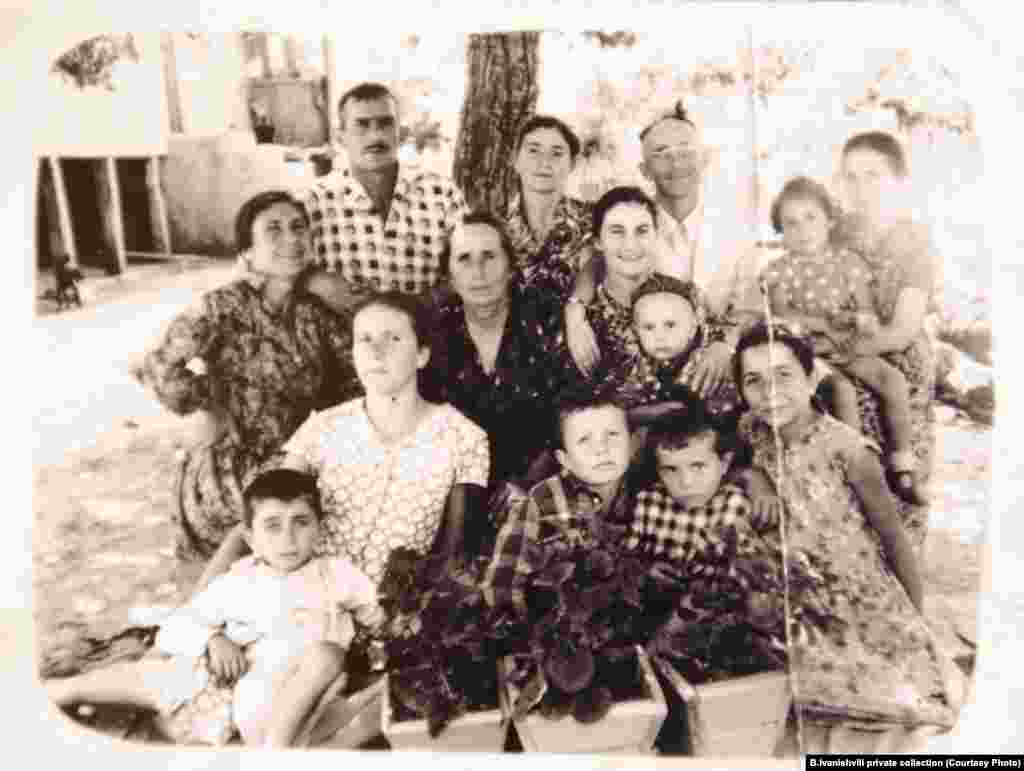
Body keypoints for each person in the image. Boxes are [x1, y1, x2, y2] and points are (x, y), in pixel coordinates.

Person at [46, 469, 384, 748]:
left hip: (310, 691)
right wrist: (213, 640)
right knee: (156, 679)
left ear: (320, 529)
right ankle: (64, 690)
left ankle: (274, 751)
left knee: (328, 654)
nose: (288, 538)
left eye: (301, 522)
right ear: (250, 538)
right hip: (246, 684)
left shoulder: (337, 573)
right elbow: (178, 625)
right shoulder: (239, 579)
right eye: (273, 526)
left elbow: (376, 614)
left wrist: (390, 628)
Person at [733, 321, 960, 731]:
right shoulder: (751, 429)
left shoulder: (849, 451)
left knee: (903, 697)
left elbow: (893, 536)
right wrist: (756, 479)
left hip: (853, 588)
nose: (769, 392)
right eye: (754, 381)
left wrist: (916, 617)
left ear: (809, 377)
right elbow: (740, 465)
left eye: (783, 375)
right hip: (797, 588)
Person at [195, 291, 490, 590]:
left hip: (392, 613)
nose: (376, 352)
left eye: (393, 339)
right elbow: (263, 516)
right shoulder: (322, 428)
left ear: (422, 354)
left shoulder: (463, 438)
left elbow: (455, 556)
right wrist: (190, 614)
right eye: (365, 339)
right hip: (302, 601)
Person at [138, 191, 361, 567]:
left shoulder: (315, 313)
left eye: (297, 227)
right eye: (273, 230)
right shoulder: (222, 306)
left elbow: (356, 379)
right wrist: (208, 403)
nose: (291, 239)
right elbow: (157, 365)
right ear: (247, 250)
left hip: (296, 466)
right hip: (229, 474)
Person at [759, 176, 925, 504]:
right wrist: (824, 326)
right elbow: (782, 315)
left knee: (891, 380)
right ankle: (857, 471)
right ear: (780, 231)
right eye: (790, 223)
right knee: (843, 391)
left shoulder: (848, 263)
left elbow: (865, 311)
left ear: (829, 221)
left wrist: (862, 322)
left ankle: (902, 467)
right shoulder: (779, 270)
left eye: (811, 218)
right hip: (807, 350)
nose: (802, 230)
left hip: (845, 345)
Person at [564, 103, 747, 399]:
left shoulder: (735, 223)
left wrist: (725, 344)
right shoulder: (637, 222)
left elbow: (750, 299)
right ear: (644, 170)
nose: (676, 162)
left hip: (721, 357)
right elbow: (599, 260)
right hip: (650, 369)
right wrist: (574, 309)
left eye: (685, 149)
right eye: (661, 153)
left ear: (703, 159)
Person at [832, 131, 941, 547]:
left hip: (901, 372)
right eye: (851, 177)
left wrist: (850, 346)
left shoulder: (914, 240)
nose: (861, 188)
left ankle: (907, 598)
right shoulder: (835, 232)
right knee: (853, 489)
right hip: (846, 372)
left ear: (897, 180)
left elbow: (904, 329)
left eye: (873, 176)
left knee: (901, 491)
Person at [423, 211, 572, 490]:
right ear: (450, 276)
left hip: (543, 481)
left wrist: (526, 485)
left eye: (489, 257)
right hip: (456, 486)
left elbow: (569, 410)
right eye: (464, 259)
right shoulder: (434, 332)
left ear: (511, 267)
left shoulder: (546, 317)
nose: (478, 272)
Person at [294, 81, 467, 311]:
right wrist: (313, 281)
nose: (375, 135)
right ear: (341, 136)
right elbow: (264, 268)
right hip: (343, 341)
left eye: (385, 124)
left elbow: (471, 263)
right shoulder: (313, 201)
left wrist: (423, 303)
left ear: (401, 133)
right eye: (362, 125)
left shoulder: (442, 195)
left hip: (424, 338)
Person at [482, 389, 633, 607]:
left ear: (632, 443)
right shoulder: (541, 500)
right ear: (564, 459)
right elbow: (502, 583)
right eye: (584, 440)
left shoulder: (646, 494)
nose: (602, 448)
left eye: (613, 435)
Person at [504, 114, 595, 304]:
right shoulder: (493, 228)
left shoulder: (594, 222)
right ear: (515, 159)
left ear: (572, 164)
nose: (544, 163)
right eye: (533, 151)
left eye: (557, 153)